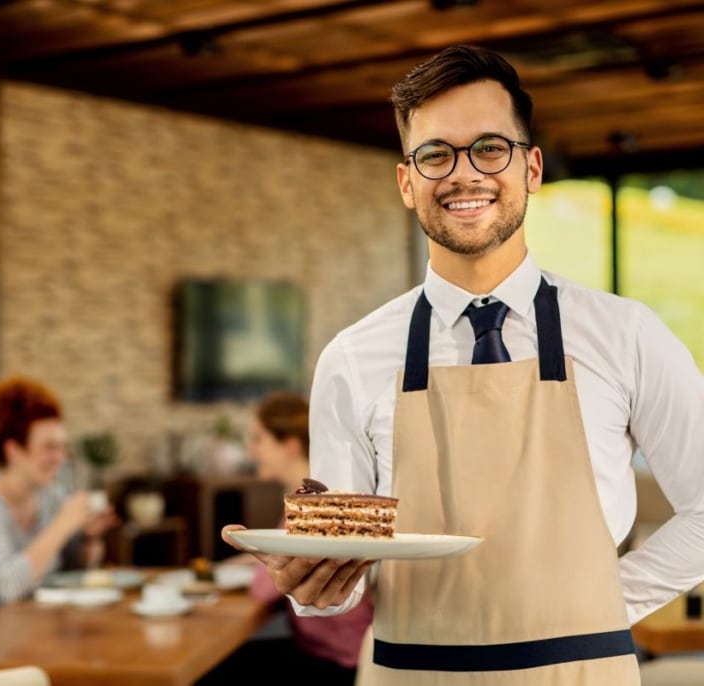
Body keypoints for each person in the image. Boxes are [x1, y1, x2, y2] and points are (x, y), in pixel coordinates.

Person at [222, 44, 704, 685]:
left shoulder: (627, 335)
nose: (464, 173)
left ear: (531, 168)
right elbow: (340, 574)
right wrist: (311, 585)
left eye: (490, 148)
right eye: (436, 154)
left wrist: (605, 601)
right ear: (407, 181)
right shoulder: (352, 357)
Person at [198, 390, 373, 685]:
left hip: (336, 662)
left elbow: (264, 588)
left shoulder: (312, 506)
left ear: (290, 446)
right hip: (331, 650)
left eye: (259, 439)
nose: (251, 450)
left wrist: (249, 564)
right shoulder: (317, 490)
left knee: (213, 670)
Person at [0, 375, 118, 628]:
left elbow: (70, 570)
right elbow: (8, 589)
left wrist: (89, 537)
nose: (60, 457)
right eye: (49, 447)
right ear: (13, 451)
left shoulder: (50, 498)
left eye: (62, 447)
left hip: (13, 632)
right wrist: (62, 526)